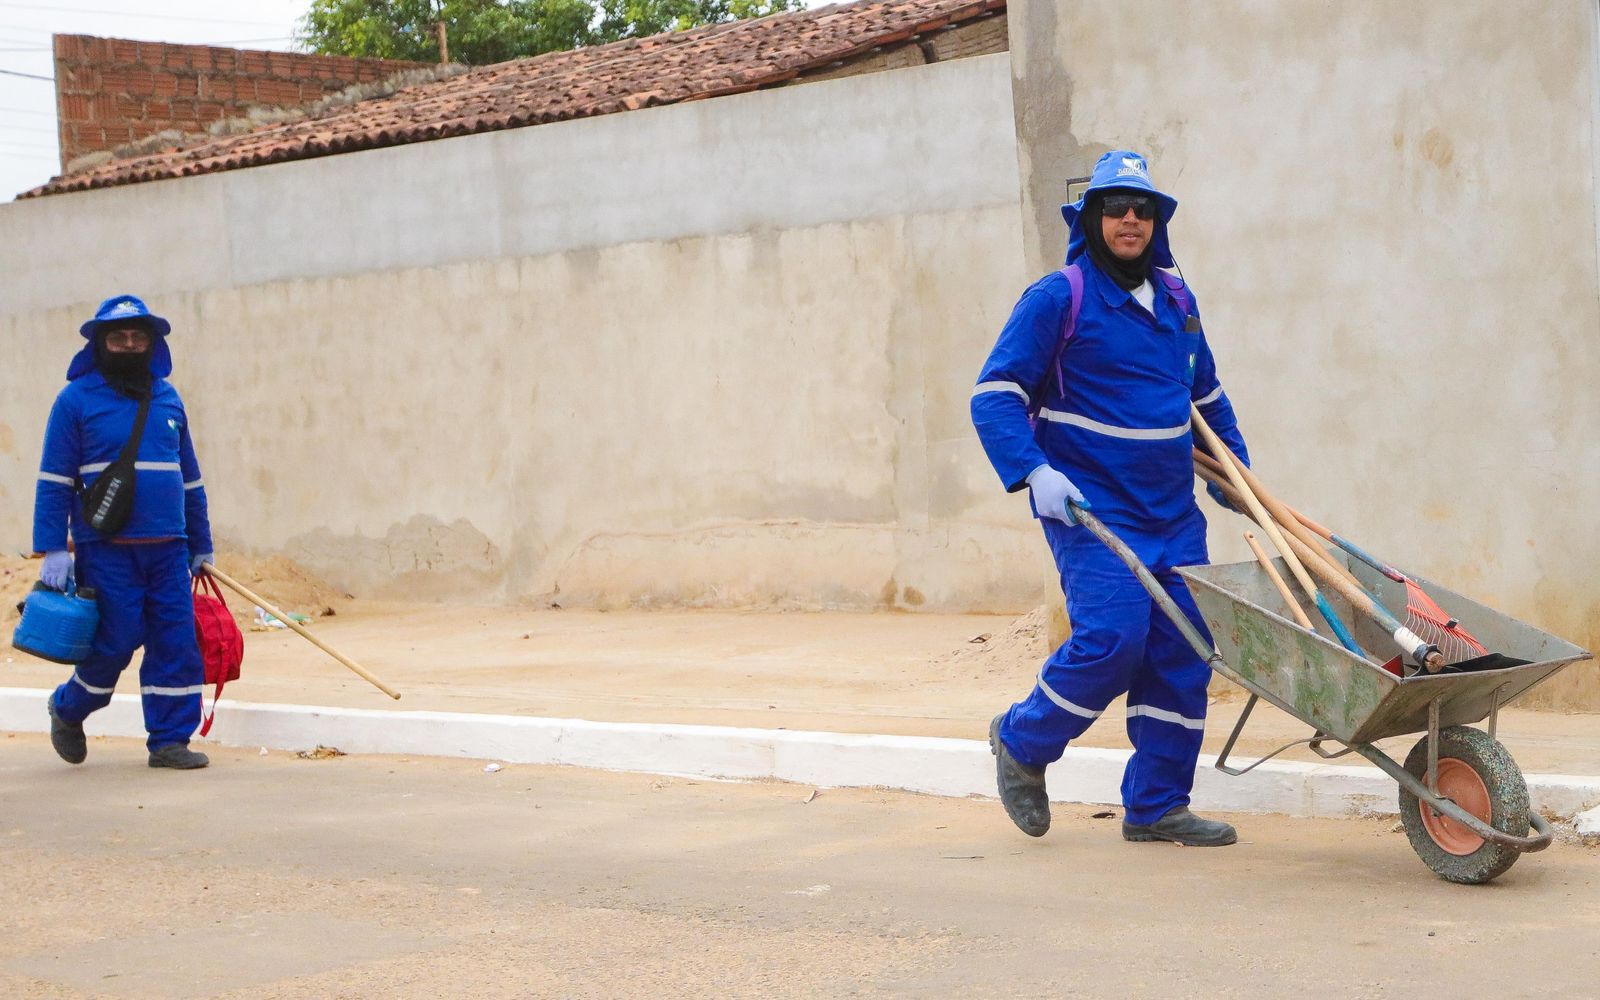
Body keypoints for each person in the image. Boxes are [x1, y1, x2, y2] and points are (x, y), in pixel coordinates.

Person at [970, 151, 1249, 846]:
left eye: (1143, 209)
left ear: (1157, 223)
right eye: (1116, 207)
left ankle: (1157, 806)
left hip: (1172, 515)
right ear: (1091, 218)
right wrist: (1034, 472)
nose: (1130, 219)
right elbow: (995, 395)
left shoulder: (1178, 304)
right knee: (1113, 641)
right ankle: (1022, 741)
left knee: (1184, 653)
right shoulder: (1057, 299)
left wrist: (1236, 473)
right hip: (1092, 509)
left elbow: (1205, 398)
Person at [33, 294, 215, 770]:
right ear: (101, 344)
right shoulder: (74, 401)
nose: (130, 344)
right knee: (114, 643)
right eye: (119, 337)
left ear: (152, 343)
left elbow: (190, 479)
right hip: (106, 550)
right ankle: (68, 708)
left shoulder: (168, 398)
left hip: (169, 550)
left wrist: (201, 544)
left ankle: (170, 741)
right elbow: (53, 480)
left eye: (138, 336)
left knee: (176, 643)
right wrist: (52, 547)